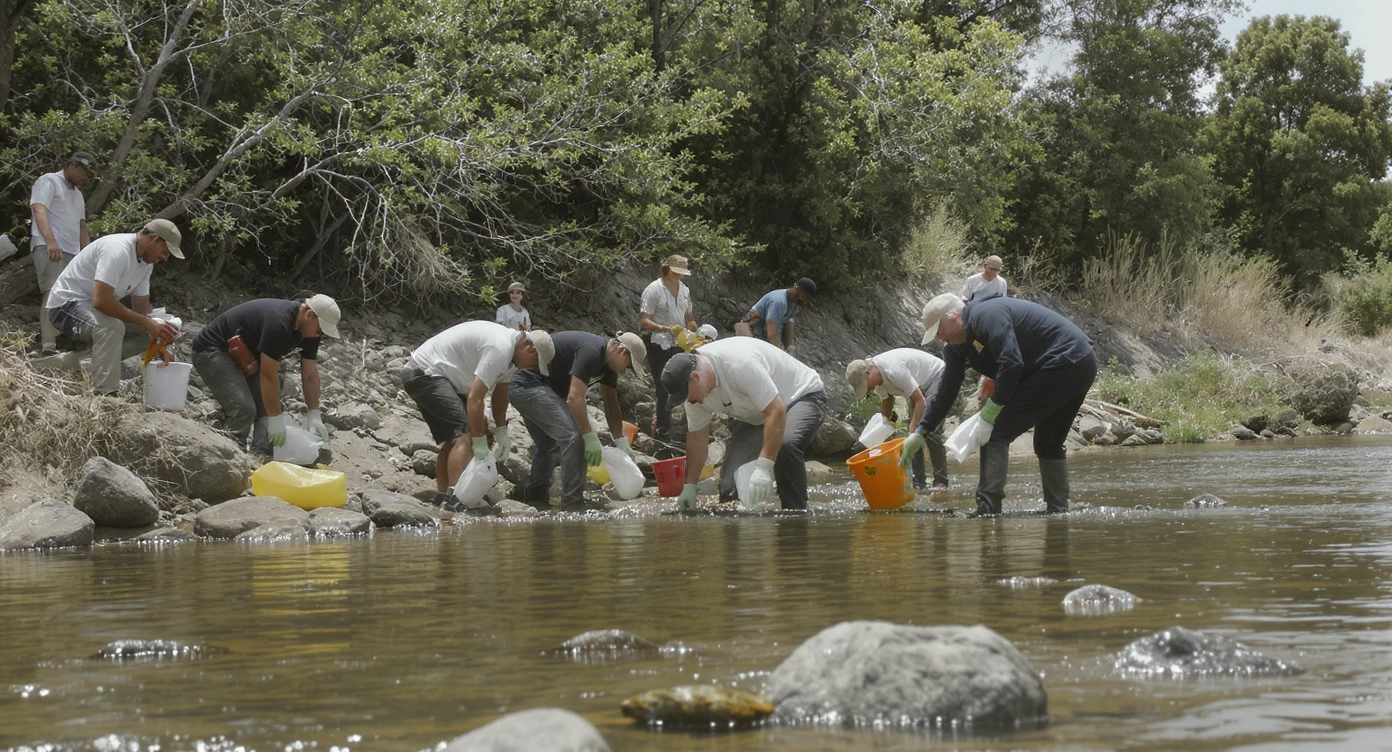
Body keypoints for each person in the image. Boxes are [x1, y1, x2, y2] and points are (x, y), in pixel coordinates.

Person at [902, 292, 1096, 516]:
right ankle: (1059, 512)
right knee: (1048, 444)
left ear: (953, 315)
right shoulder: (956, 347)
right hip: (1076, 363)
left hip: (1066, 361)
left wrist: (993, 409)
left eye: (939, 331)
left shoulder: (986, 315)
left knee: (994, 432)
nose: (940, 338)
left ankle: (988, 510)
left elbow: (1011, 362)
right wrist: (922, 430)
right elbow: (947, 390)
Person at [661, 336, 828, 512]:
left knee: (786, 446)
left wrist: (764, 466)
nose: (688, 401)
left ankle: (795, 516)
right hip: (758, 413)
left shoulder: (738, 365)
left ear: (695, 377)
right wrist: (690, 486)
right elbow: (697, 439)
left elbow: (776, 411)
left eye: (686, 396)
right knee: (729, 481)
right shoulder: (694, 396)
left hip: (800, 396)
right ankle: (736, 531)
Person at [402, 321, 555, 504]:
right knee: (463, 437)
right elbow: (475, 399)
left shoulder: (512, 358)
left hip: (444, 378)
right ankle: (455, 500)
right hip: (423, 372)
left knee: (456, 438)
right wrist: (479, 441)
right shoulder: (500, 348)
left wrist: (500, 432)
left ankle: (443, 496)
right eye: (535, 364)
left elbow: (500, 398)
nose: (531, 369)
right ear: (530, 349)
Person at [508, 331, 647, 511]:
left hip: (542, 389)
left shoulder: (608, 367)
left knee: (548, 444)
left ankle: (536, 499)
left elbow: (611, 405)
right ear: (621, 350)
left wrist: (621, 442)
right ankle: (573, 503)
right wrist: (589, 438)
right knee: (573, 437)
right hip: (527, 385)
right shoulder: (592, 351)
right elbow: (574, 398)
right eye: (628, 366)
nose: (625, 370)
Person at [191, 296, 343, 456]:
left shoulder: (309, 332)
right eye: (320, 331)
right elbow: (268, 374)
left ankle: (260, 456)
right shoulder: (279, 322)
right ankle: (229, 457)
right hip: (212, 350)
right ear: (309, 315)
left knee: (267, 407)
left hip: (246, 358)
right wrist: (276, 419)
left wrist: (314, 413)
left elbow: (310, 374)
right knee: (244, 409)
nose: (319, 336)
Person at [46, 219, 184, 395]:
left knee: (148, 333)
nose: (164, 258)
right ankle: (105, 395)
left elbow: (142, 308)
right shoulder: (117, 250)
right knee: (111, 328)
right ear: (155, 239)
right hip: (65, 306)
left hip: (92, 310)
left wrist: (162, 337)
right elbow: (101, 300)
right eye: (165, 252)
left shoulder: (145, 264)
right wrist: (147, 322)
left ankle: (59, 365)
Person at [845, 348, 949, 490]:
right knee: (913, 434)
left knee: (929, 430)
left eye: (865, 385)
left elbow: (920, 401)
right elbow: (887, 401)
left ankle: (940, 483)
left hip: (937, 375)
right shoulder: (877, 379)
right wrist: (885, 426)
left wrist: (914, 428)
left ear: (868, 373)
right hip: (919, 386)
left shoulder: (893, 370)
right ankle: (919, 482)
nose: (867, 389)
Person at [30, 151, 96, 355]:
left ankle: (72, 342)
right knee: (52, 292)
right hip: (50, 245)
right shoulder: (49, 181)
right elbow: (39, 209)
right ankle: (48, 345)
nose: (85, 178)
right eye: (84, 173)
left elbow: (81, 226)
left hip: (72, 251)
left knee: (74, 298)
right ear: (73, 165)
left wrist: (88, 255)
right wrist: (51, 240)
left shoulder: (78, 194)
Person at [639, 254, 697, 440]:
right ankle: (663, 428)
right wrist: (664, 328)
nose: (678, 276)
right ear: (667, 269)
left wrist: (694, 328)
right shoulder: (654, 289)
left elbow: (688, 315)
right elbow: (644, 321)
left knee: (684, 384)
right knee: (663, 387)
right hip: (659, 343)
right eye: (675, 272)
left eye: (681, 273)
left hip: (680, 343)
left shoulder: (685, 290)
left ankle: (682, 428)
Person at [737, 277, 816, 352]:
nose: (805, 302)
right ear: (797, 290)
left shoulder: (793, 305)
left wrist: (790, 349)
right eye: (806, 297)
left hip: (765, 339)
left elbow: (788, 326)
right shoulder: (779, 302)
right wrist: (781, 352)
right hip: (751, 335)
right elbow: (772, 334)